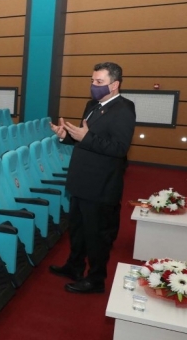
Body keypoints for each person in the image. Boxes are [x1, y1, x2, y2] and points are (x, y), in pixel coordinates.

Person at [48, 62, 135, 294]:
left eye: (99, 82)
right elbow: (83, 139)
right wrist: (65, 136)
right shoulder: (92, 105)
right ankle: (74, 266)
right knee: (77, 229)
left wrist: (85, 137)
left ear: (114, 85)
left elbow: (119, 148)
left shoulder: (124, 109)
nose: (93, 85)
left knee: (96, 235)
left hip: (100, 185)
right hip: (80, 180)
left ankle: (96, 279)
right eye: (92, 80)